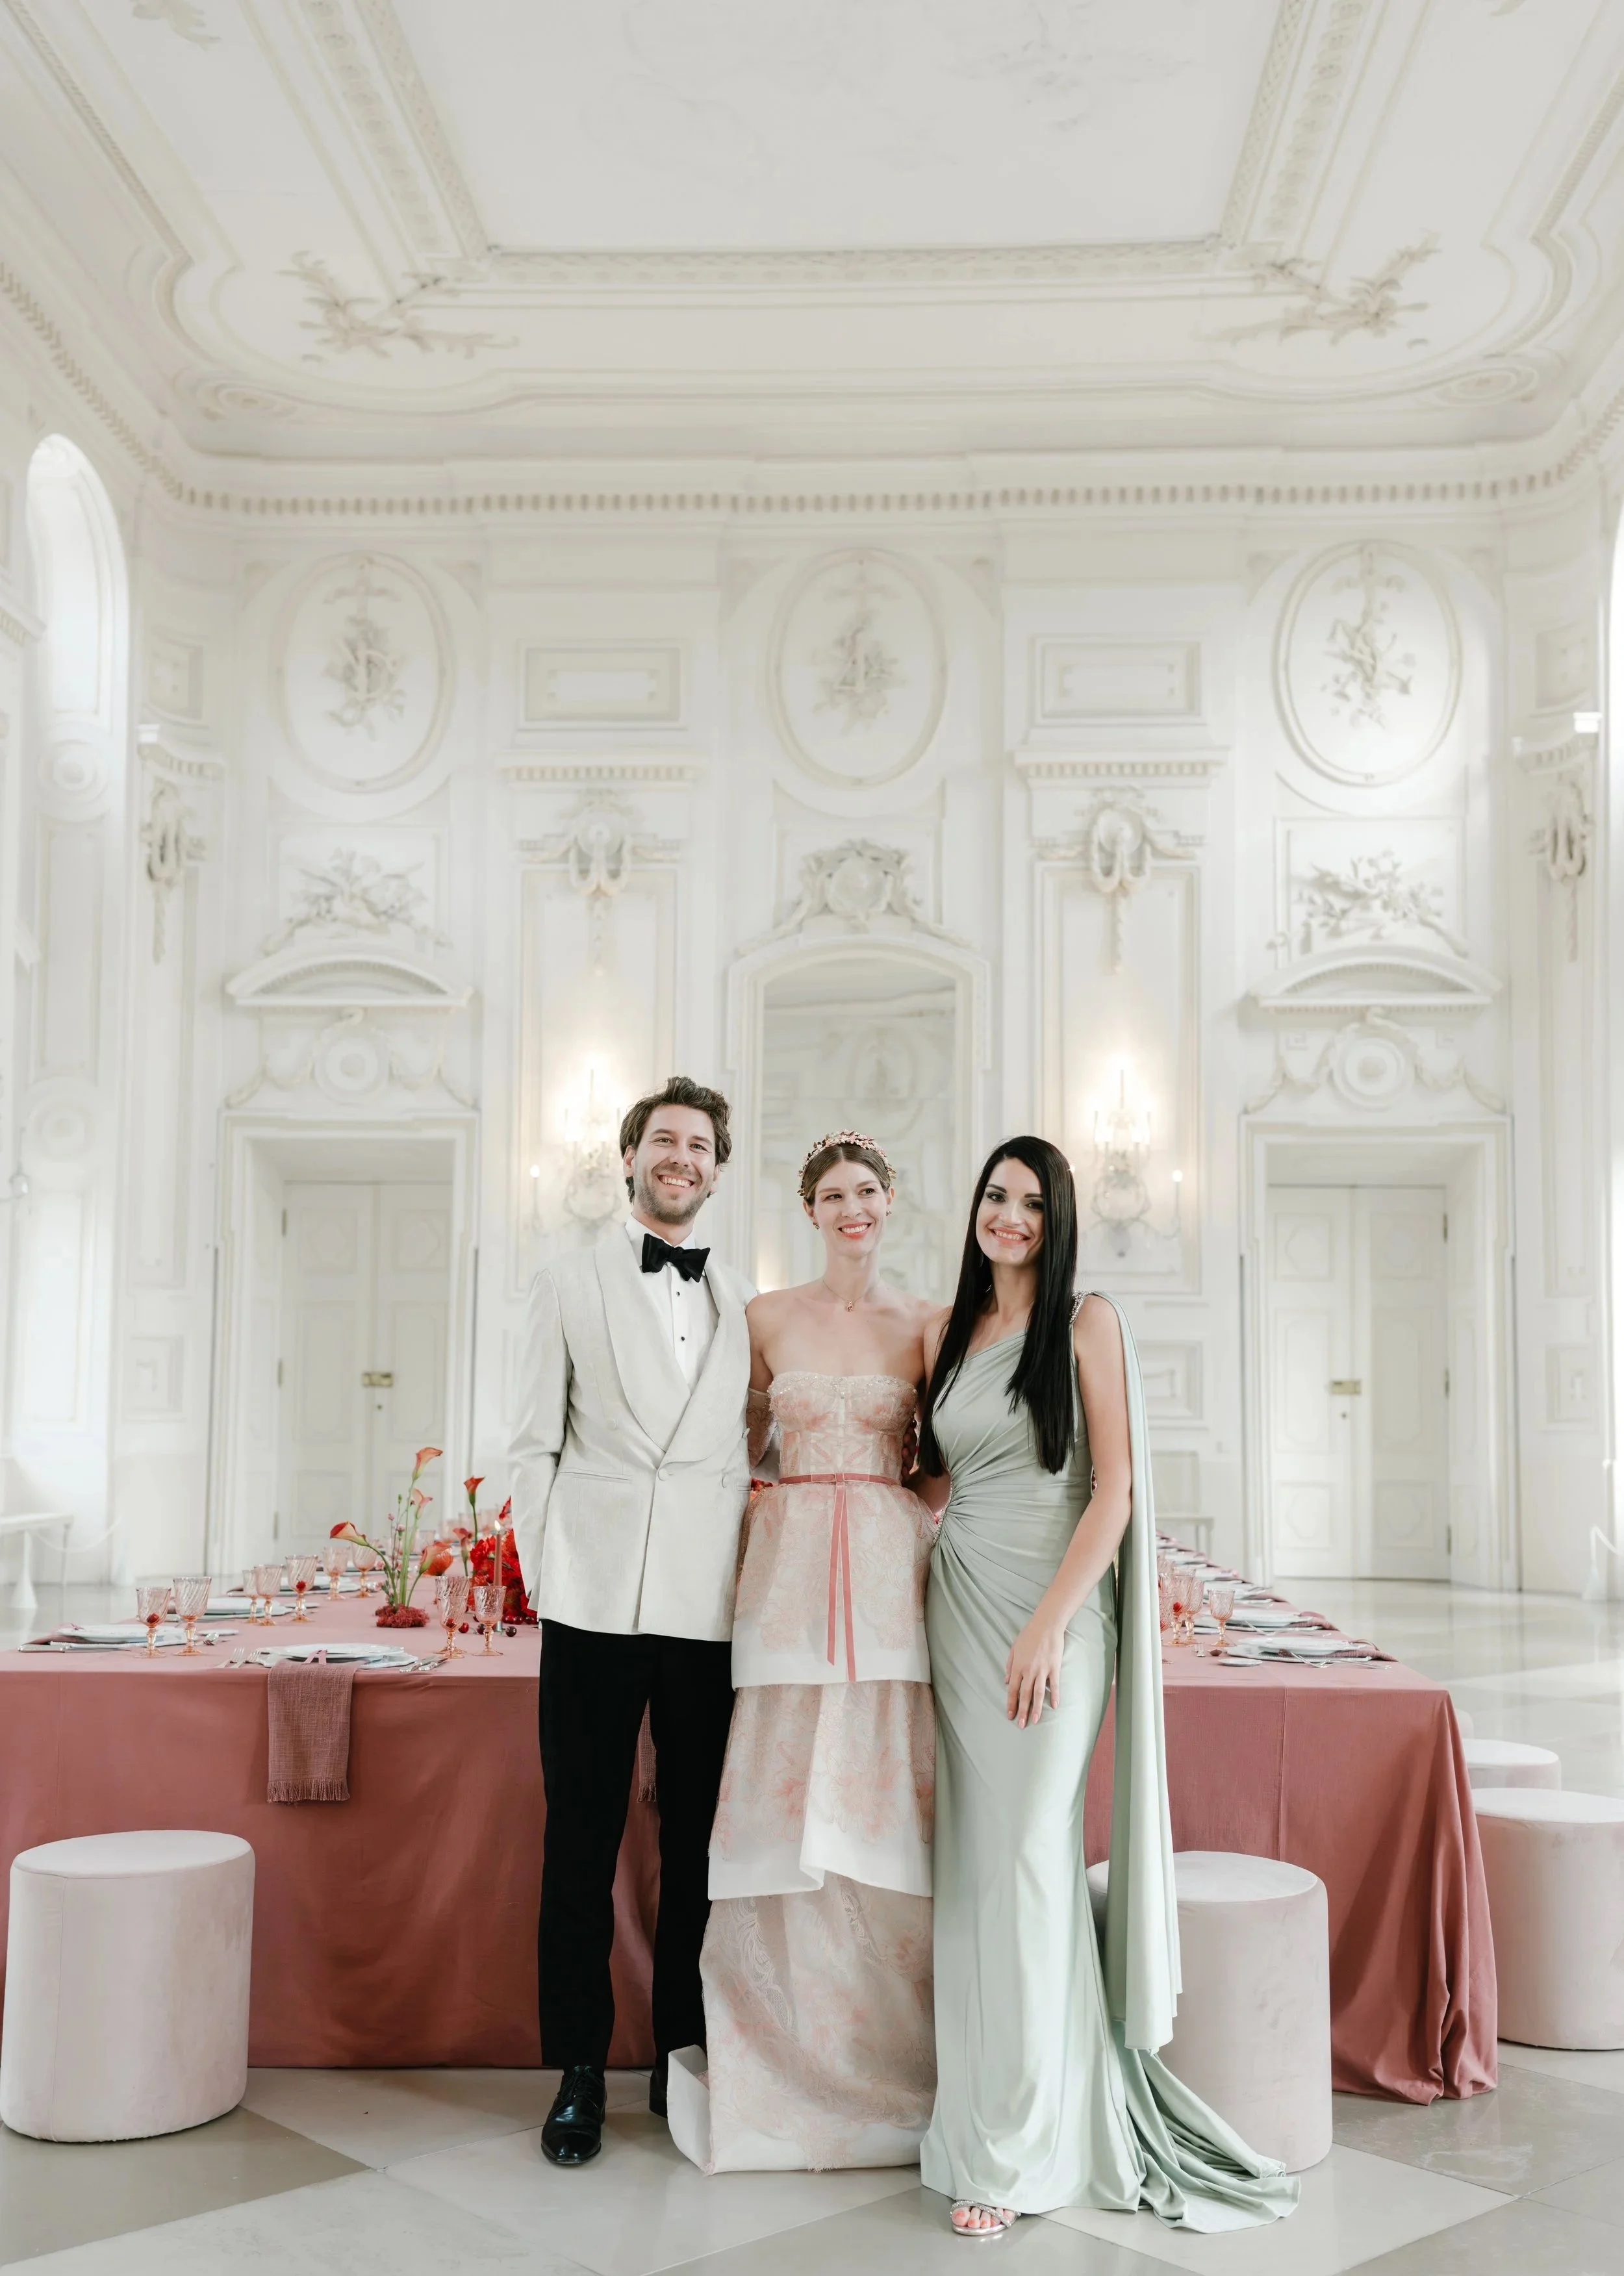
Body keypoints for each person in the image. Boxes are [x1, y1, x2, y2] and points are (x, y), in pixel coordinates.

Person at [919, 1136, 1299, 2238]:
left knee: (1033, 1869)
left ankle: (1026, 2149)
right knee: (976, 1879)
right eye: (995, 1196)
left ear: (1059, 1217)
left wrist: (1048, 1628)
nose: (1009, 1218)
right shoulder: (953, 1333)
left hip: (1050, 1621)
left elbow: (1117, 1489)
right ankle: (980, 2119)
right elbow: (937, 1475)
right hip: (956, 1610)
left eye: (1032, 1203)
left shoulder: (1087, 1324)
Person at [667, 1132, 940, 2172]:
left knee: (881, 1793)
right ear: (810, 1211)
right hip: (783, 1578)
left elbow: (946, 1466)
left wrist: (886, 1528)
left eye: (867, 1190)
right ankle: (778, 2048)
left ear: (890, 1200)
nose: (851, 1207)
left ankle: (889, 2047)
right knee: (780, 1793)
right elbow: (730, 1448)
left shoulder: (927, 1322)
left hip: (884, 1574)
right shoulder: (766, 1315)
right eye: (832, 1195)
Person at [509, 1075, 754, 2167]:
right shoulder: (567, 1279)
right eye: (665, 1139)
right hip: (594, 1599)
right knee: (581, 1841)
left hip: (708, 1607)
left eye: (700, 1145)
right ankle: (576, 2071)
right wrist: (549, 1574)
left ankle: (680, 2058)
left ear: (717, 1169)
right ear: (628, 1158)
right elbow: (531, 1443)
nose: (682, 1157)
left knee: (697, 1846)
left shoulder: (744, 1297)